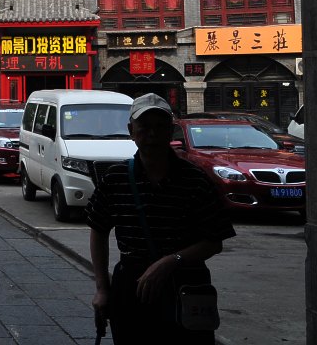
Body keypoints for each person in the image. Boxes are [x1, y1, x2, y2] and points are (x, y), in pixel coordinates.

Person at [86, 93, 236, 345]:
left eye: (160, 126)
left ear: (171, 131)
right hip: (131, 287)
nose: (152, 134)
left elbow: (214, 241)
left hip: (186, 286)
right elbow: (98, 229)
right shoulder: (116, 178)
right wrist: (102, 288)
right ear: (131, 131)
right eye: (145, 127)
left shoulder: (195, 180)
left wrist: (171, 261)